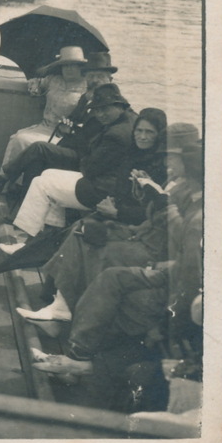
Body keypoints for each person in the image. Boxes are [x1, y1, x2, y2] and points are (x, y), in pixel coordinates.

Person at [30, 141, 203, 379]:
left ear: (190, 167)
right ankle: (64, 316)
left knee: (107, 265)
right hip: (157, 252)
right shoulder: (183, 188)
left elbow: (183, 252)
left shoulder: (201, 212)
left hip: (166, 270)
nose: (170, 162)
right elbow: (162, 224)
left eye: (175, 158)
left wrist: (164, 207)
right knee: (85, 232)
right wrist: (146, 196)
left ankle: (76, 352)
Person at [15, 114, 182, 329]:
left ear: (159, 135)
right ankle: (56, 302)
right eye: (139, 131)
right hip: (121, 214)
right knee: (78, 229)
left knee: (83, 233)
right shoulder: (132, 154)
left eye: (149, 132)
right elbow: (124, 190)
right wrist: (111, 202)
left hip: (136, 228)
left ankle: (60, 308)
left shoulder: (160, 167)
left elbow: (150, 212)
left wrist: (117, 212)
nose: (142, 136)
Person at [0, 83, 137, 252]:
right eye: (98, 110)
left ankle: (26, 242)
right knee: (48, 174)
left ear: (119, 105)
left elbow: (89, 169)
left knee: (41, 184)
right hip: (109, 182)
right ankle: (50, 233)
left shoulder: (116, 134)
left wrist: (81, 147)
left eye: (105, 109)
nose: (100, 114)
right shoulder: (128, 119)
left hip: (102, 190)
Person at [0, 51, 119, 195]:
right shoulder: (86, 97)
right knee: (26, 148)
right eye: (91, 76)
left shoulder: (111, 107)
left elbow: (95, 137)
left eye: (100, 77)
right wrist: (67, 127)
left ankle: (1, 181)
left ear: (110, 79)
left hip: (86, 158)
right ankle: (18, 194)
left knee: (39, 148)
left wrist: (72, 131)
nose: (94, 80)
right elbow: (77, 121)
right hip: (70, 143)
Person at [0, 46, 88, 170]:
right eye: (65, 65)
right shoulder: (53, 80)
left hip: (65, 134)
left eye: (73, 65)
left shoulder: (86, 86)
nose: (68, 69)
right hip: (44, 127)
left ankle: (7, 181)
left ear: (80, 67)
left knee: (25, 140)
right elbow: (36, 82)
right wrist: (34, 86)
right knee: (17, 138)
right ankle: (8, 183)